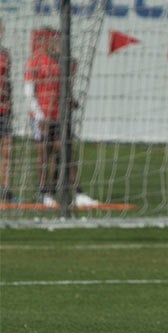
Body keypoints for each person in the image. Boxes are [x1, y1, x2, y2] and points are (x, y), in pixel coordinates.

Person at [24, 28, 98, 208]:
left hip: (61, 116)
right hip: (41, 116)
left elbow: (66, 88)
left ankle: (77, 192)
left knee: (65, 152)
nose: (60, 46)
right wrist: (40, 116)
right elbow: (28, 92)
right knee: (44, 153)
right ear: (47, 44)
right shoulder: (35, 61)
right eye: (56, 43)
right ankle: (44, 192)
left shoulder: (68, 63)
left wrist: (71, 101)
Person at [0, 19, 14, 202]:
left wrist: (10, 103)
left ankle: (5, 190)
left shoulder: (5, 55)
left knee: (8, 151)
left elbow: (7, 82)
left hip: (4, 110)